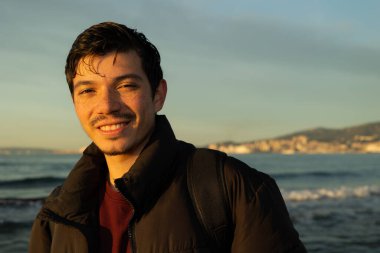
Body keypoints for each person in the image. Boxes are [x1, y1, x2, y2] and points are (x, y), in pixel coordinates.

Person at [29, 22, 306, 253]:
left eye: (126, 85)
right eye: (88, 91)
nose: (106, 106)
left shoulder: (234, 188)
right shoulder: (55, 215)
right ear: (75, 103)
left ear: (158, 94)